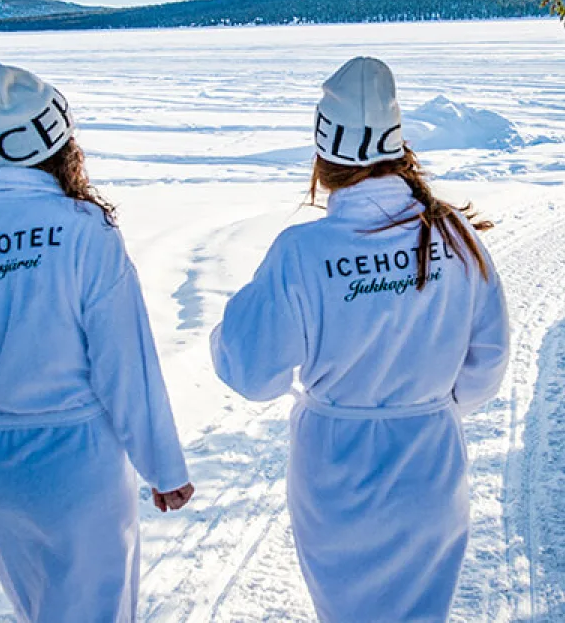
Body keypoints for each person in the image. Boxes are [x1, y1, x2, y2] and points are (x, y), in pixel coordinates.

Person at [0, 60, 194, 623]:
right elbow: (126, 362)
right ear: (61, 142)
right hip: (80, 465)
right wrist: (162, 467)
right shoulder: (83, 230)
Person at [211, 56, 511, 622]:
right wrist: (431, 406)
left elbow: (251, 371)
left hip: (336, 474)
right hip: (430, 467)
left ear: (323, 155)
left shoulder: (301, 252)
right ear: (399, 146)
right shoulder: (454, 235)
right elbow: (487, 361)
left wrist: (226, 334)